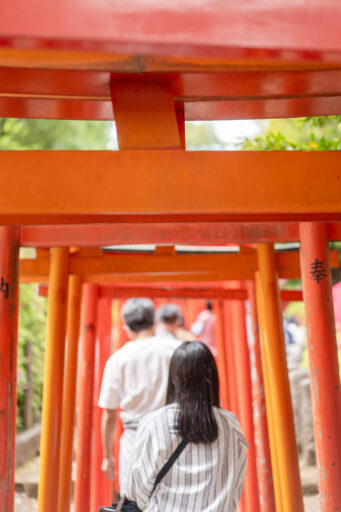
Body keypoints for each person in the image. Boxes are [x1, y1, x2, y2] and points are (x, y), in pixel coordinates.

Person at [125, 342, 248, 511]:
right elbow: (236, 481)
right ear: (212, 377)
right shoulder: (230, 424)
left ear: (174, 378)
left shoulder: (156, 422)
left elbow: (136, 490)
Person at [98, 298, 181, 494]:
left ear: (127, 327)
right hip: (172, 435)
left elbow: (109, 414)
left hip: (135, 438)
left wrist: (107, 456)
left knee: (135, 498)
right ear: (154, 321)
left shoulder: (118, 359)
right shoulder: (175, 350)